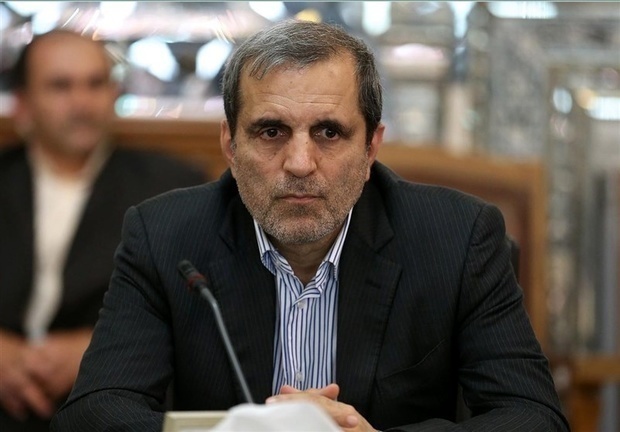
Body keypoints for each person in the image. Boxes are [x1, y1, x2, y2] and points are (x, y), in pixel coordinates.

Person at [51, 20, 569, 431]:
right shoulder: (165, 237)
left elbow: (533, 417)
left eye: (329, 132)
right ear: (230, 145)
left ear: (371, 147)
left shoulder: (458, 238)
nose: (300, 164)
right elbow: (93, 414)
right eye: (271, 132)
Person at [0, 29, 206, 432]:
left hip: (115, 398)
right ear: (23, 105)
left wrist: (97, 349)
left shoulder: (170, 187)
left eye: (95, 84)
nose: (82, 103)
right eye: (61, 86)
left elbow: (193, 309)